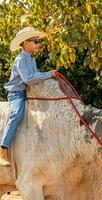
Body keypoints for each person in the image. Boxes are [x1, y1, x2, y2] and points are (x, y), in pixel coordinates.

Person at [0, 27, 57, 167]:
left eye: (39, 41)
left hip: (28, 92)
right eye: (36, 41)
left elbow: (35, 78)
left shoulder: (31, 60)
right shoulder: (20, 60)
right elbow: (29, 79)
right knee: (17, 113)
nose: (38, 44)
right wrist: (49, 74)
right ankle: (3, 149)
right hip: (16, 94)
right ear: (25, 43)